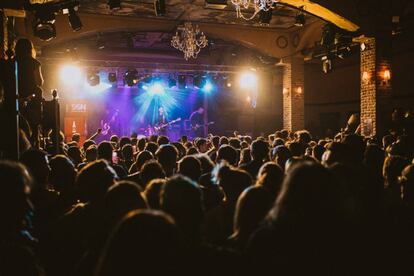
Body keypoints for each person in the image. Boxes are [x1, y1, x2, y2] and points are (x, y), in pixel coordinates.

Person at [14, 38, 44, 147]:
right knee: (33, 124)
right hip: (31, 97)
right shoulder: (34, 63)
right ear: (30, 49)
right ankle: (35, 144)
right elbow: (39, 82)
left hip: (16, 97)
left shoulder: (12, 61)